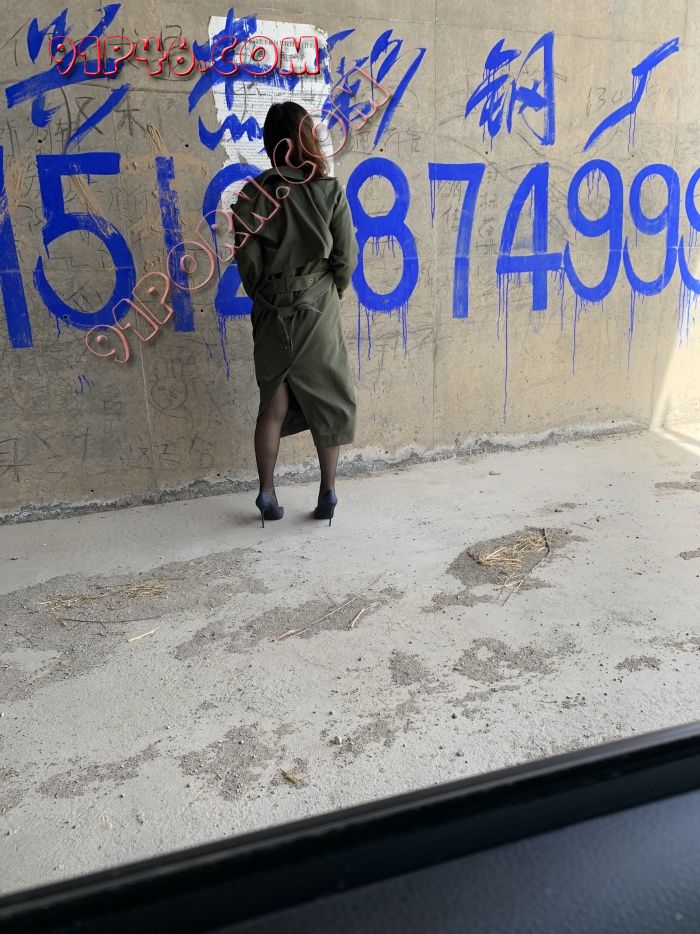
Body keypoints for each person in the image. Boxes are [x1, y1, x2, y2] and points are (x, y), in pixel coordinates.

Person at [232, 101, 358, 528]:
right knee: (328, 399)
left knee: (273, 404)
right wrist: (328, 292)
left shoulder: (251, 196)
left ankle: (267, 491)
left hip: (271, 312)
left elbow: (248, 265)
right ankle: (328, 491)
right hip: (318, 308)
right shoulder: (328, 190)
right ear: (308, 138)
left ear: (270, 143)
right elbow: (345, 258)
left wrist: (266, 295)